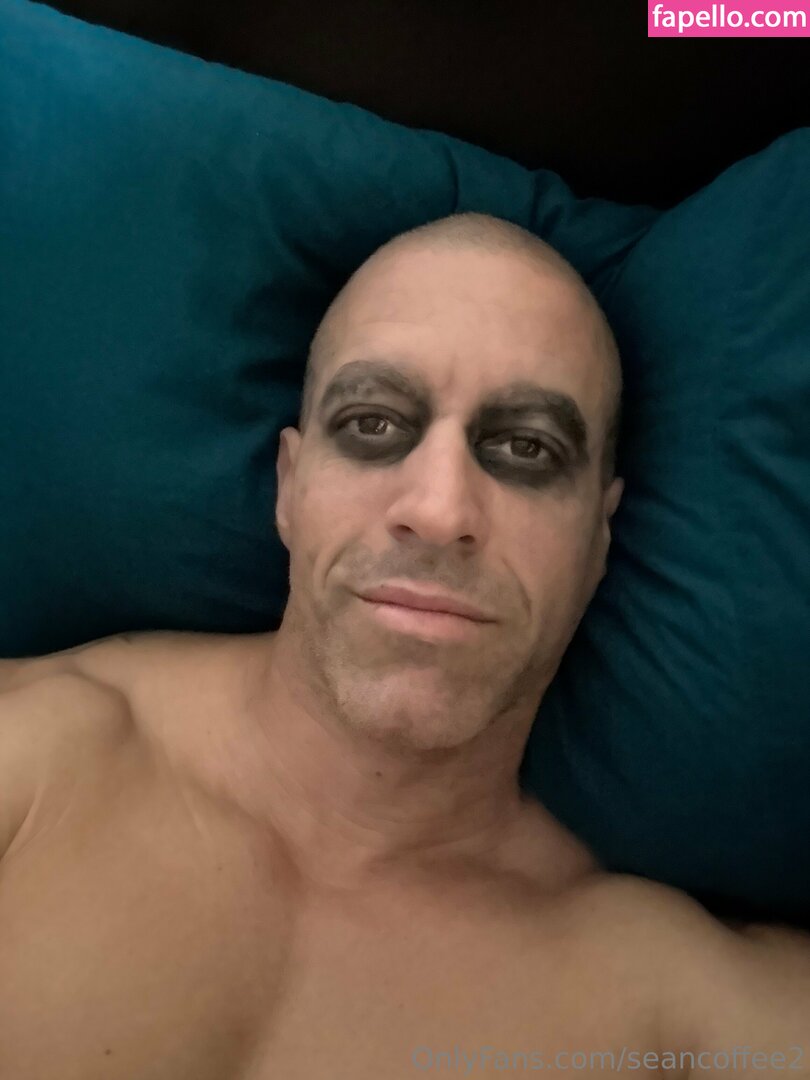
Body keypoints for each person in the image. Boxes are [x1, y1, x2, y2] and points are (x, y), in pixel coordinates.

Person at [0, 211, 808, 1080]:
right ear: (289, 488)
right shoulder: (32, 757)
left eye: (527, 447)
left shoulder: (662, 1002)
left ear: (598, 541)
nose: (439, 509)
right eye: (374, 424)